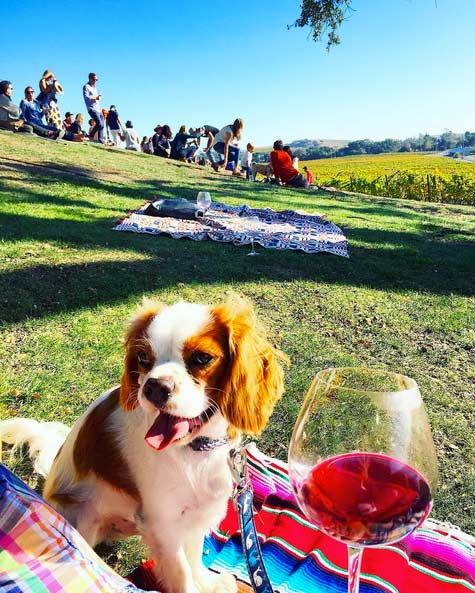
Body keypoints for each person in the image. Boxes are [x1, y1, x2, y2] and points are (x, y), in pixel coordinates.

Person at [82, 72, 105, 143]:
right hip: (91, 108)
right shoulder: (86, 87)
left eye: (96, 80)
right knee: (99, 124)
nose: (95, 81)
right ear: (90, 79)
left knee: (102, 125)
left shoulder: (95, 88)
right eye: (94, 79)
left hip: (98, 108)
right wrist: (95, 97)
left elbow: (97, 98)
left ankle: (100, 140)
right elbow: (86, 97)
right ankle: (91, 136)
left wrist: (99, 97)